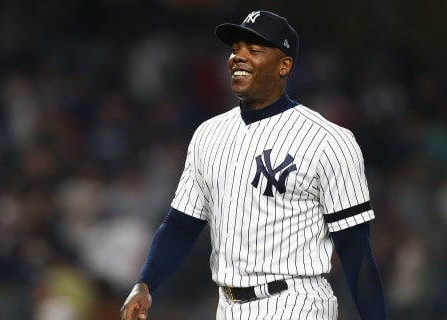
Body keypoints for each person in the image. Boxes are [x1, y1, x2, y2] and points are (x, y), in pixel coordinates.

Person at [120, 10, 386, 320]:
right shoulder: (209, 133)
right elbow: (181, 226)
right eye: (235, 50)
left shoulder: (327, 140)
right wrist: (145, 282)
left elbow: (355, 247)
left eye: (254, 50)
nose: (238, 58)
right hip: (227, 305)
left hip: (297, 302)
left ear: (284, 65)